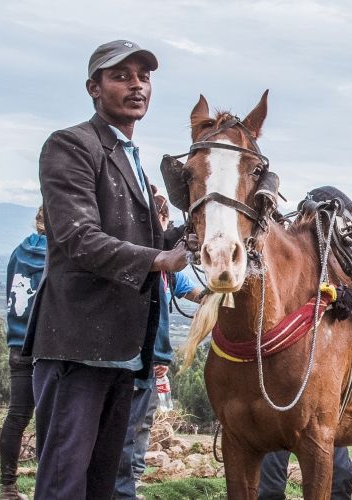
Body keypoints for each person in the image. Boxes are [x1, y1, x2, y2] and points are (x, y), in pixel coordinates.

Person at [26, 40, 189, 499]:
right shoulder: (71, 145)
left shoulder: (132, 156)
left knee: (102, 484)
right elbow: (79, 237)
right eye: (122, 76)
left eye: (144, 76)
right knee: (64, 482)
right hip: (79, 347)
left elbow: (143, 240)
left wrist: (189, 235)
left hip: (123, 347)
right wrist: (160, 258)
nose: (137, 85)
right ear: (93, 88)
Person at [256, 186, 352, 500]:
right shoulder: (285, 256)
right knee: (270, 485)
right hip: (278, 388)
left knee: (338, 477)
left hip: (323, 390)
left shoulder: (341, 262)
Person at [116, 195, 203, 498]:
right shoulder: (146, 263)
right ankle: (122, 484)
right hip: (137, 356)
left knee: (142, 423)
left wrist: (217, 297)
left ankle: (132, 480)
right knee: (129, 424)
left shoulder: (167, 271)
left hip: (155, 357)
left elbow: (192, 292)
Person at [0, 208, 46, 500]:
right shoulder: (59, 253)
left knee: (16, 416)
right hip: (45, 345)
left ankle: (7, 486)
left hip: (18, 342)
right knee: (48, 418)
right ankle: (46, 483)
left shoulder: (19, 251)